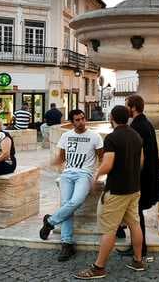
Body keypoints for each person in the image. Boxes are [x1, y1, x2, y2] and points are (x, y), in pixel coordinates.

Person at [73, 105, 145, 279]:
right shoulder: (136, 135)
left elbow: (108, 164)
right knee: (135, 224)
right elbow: (141, 160)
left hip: (116, 190)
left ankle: (98, 268)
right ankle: (138, 260)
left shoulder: (112, 138)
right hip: (134, 188)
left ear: (112, 118)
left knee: (109, 230)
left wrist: (96, 175)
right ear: (127, 117)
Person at [40, 109, 104, 262]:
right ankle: (67, 243)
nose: (81, 122)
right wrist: (47, 165)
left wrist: (97, 176)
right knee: (66, 204)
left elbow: (102, 158)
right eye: (77, 120)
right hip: (67, 174)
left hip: (85, 174)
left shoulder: (95, 137)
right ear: (72, 122)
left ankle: (50, 221)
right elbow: (61, 158)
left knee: (76, 201)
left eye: (82, 119)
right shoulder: (66, 136)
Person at [116, 94, 159, 260]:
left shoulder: (137, 126)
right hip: (146, 175)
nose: (125, 108)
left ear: (133, 107)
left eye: (127, 105)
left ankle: (139, 248)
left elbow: (136, 155)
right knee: (135, 213)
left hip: (140, 177)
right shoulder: (145, 123)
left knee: (136, 215)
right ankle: (135, 243)